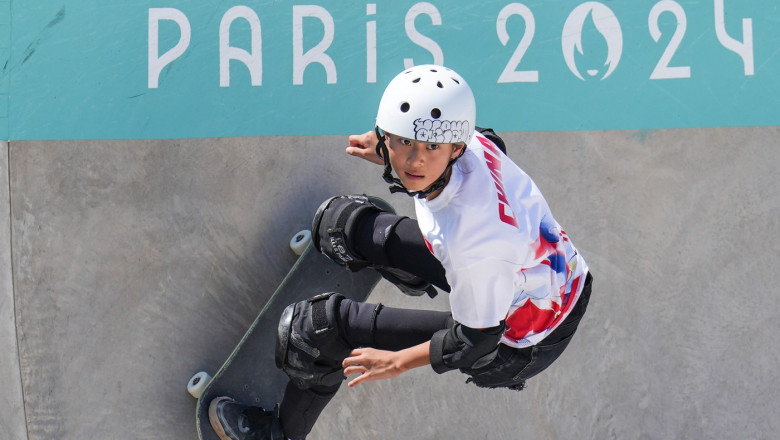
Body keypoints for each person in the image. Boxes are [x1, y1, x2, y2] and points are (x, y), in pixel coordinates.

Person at [208, 64, 592, 440]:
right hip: (546, 275)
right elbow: (468, 142)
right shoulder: (469, 141)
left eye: (430, 148)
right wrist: (385, 146)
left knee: (315, 330)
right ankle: (412, 271)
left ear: (457, 148)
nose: (415, 161)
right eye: (404, 141)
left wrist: (396, 362)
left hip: (520, 340)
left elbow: (476, 340)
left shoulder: (472, 243)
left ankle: (279, 434)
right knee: (340, 224)